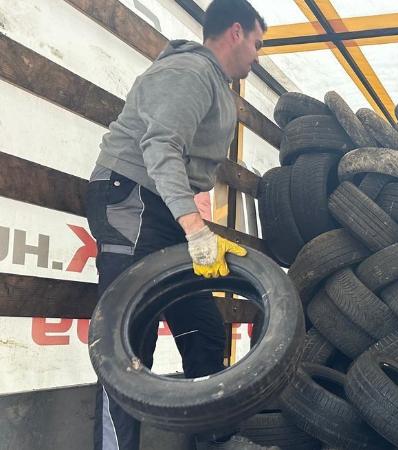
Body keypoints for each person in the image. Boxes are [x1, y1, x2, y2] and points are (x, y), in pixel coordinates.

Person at [84, 0, 272, 448]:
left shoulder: (214, 82)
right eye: (257, 44)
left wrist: (186, 219)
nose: (258, 56)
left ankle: (204, 442)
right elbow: (160, 145)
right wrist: (195, 225)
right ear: (235, 33)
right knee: (125, 345)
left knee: (203, 330)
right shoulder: (189, 71)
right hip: (130, 197)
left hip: (161, 209)